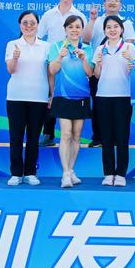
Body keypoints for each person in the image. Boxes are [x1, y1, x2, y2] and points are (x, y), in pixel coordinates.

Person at [84, 0, 135, 149]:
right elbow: (86, 39)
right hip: (100, 67)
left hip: (121, 71)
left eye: (116, 0)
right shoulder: (97, 21)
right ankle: (98, 137)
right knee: (98, 105)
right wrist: (92, 20)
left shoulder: (126, 22)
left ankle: (115, 140)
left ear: (121, 4)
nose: (112, 2)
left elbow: (128, 44)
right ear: (104, 3)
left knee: (121, 114)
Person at [37, 0, 87, 146]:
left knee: (69, 95)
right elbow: (39, 36)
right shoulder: (48, 15)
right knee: (50, 95)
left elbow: (84, 40)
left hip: (72, 63)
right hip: (54, 60)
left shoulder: (80, 15)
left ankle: (71, 136)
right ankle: (48, 133)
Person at [48, 15, 94, 188]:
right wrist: (60, 57)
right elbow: (52, 70)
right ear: (65, 29)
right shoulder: (57, 47)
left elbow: (90, 73)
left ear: (81, 29)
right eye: (71, 27)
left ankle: (71, 170)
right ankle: (65, 173)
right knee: (66, 134)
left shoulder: (88, 48)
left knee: (77, 135)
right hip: (62, 96)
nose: (74, 30)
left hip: (81, 96)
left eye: (77, 27)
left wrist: (84, 59)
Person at [5, 11, 50, 186]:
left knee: (33, 137)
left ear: (38, 25)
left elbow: (50, 73)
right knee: (16, 136)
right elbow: (11, 70)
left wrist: (51, 94)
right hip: (16, 97)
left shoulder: (46, 46)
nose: (29, 26)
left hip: (39, 97)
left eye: (32, 23)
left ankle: (31, 172)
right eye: (25, 23)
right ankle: (16, 173)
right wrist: (15, 58)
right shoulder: (13, 44)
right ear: (20, 25)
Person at [93, 15, 135, 187]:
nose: (112, 30)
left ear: (122, 29)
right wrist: (98, 64)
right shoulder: (100, 49)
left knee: (122, 136)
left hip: (123, 96)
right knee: (106, 137)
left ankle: (120, 174)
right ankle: (108, 173)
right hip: (103, 96)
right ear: (104, 31)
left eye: (115, 26)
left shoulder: (129, 47)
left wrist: (131, 61)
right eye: (109, 27)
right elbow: (96, 75)